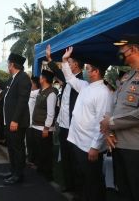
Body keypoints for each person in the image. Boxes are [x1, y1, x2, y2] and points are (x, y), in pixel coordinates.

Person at [100, 35, 139, 201]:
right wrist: (108, 131)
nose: (119, 53)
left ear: (134, 49)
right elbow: (116, 108)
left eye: (122, 49)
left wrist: (111, 123)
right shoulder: (126, 77)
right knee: (123, 191)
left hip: (138, 148)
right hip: (118, 144)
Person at [62, 47, 112, 201]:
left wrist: (95, 147)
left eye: (88, 69)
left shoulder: (104, 93)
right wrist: (64, 61)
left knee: (94, 181)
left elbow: (102, 124)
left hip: (90, 146)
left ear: (95, 72)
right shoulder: (85, 86)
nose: (85, 71)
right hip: (78, 141)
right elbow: (70, 79)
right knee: (83, 177)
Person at [46, 44, 83, 193]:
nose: (67, 65)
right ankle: (68, 184)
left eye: (70, 62)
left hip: (74, 126)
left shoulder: (81, 82)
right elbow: (57, 70)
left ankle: (77, 188)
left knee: (74, 159)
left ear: (76, 65)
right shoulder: (68, 80)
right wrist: (49, 59)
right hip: (63, 125)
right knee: (66, 157)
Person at [0, 53, 31, 185]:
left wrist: (15, 120)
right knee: (11, 148)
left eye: (8, 63)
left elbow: (22, 101)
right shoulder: (13, 78)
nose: (7, 66)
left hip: (16, 122)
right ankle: (13, 170)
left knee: (18, 149)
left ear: (12, 64)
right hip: (9, 121)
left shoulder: (23, 78)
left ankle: (18, 174)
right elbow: (3, 85)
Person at [32, 70, 58, 181]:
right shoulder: (41, 91)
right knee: (39, 151)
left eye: (41, 77)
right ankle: (41, 169)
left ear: (44, 79)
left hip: (44, 128)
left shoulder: (51, 93)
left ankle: (48, 174)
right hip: (36, 126)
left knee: (46, 152)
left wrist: (46, 128)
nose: (39, 79)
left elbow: (50, 113)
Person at [26, 76, 40, 167]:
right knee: (28, 142)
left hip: (33, 122)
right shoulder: (31, 92)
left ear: (34, 84)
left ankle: (32, 160)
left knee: (32, 143)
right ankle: (30, 158)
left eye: (30, 83)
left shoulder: (37, 93)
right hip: (28, 121)